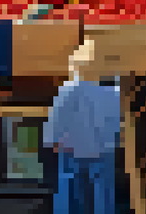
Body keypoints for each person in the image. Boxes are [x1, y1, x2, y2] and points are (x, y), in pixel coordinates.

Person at [44, 40, 120, 214]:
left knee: (70, 188)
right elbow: (115, 120)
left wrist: (52, 140)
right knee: (102, 189)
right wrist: (111, 141)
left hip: (72, 147)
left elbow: (57, 117)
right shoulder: (111, 92)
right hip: (101, 148)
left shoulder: (69, 89)